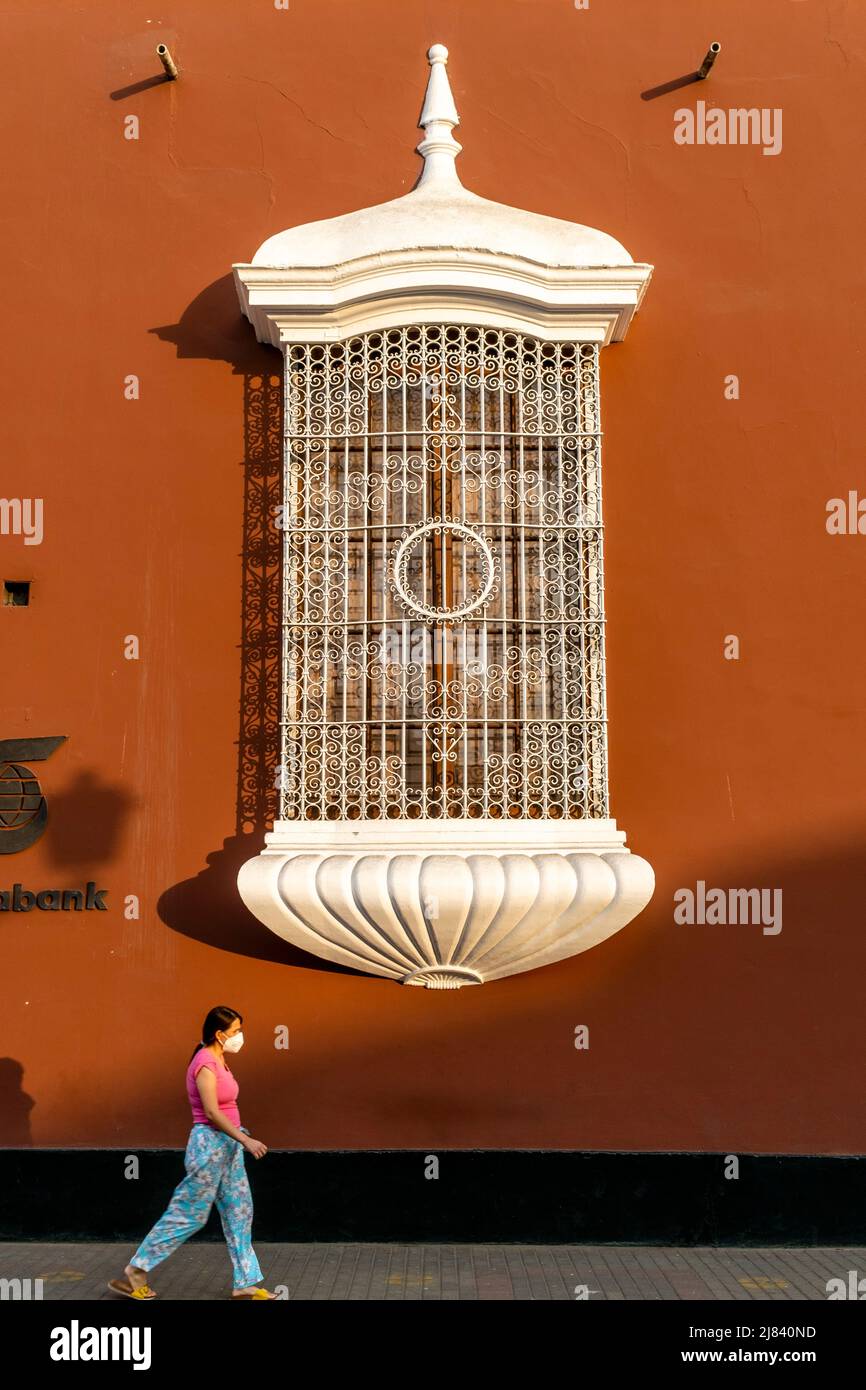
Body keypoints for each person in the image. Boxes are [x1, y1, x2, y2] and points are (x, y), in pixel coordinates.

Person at [108, 1005, 274, 1300]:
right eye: (236, 1031)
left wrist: (238, 1141)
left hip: (229, 1146)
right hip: (209, 1146)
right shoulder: (204, 1063)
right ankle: (134, 1271)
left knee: (239, 1211)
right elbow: (211, 1111)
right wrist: (246, 1140)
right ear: (219, 1034)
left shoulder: (219, 1059)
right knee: (189, 1214)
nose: (240, 1036)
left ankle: (245, 1282)